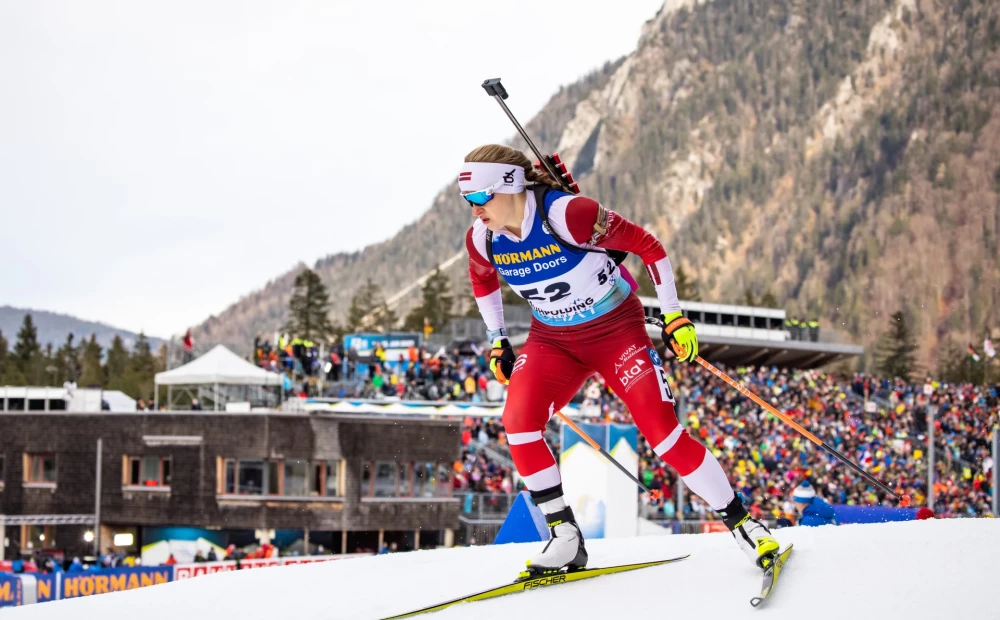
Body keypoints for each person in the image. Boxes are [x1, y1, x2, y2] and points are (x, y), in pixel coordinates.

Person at [461, 145, 779, 576]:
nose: (474, 208)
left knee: (662, 432)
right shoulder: (483, 238)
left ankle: (744, 524)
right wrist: (498, 339)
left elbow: (649, 246)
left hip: (615, 332)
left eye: (480, 197)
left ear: (510, 185)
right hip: (553, 340)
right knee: (518, 422)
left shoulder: (567, 214)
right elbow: (482, 281)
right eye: (468, 200)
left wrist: (674, 314)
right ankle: (565, 537)